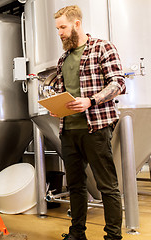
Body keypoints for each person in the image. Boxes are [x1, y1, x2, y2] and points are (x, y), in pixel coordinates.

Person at [52, 5, 126, 240]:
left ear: (76, 24)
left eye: (63, 27)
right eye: (57, 29)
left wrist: (91, 101)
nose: (60, 33)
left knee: (107, 186)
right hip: (68, 130)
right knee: (75, 186)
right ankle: (77, 234)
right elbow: (64, 92)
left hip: (96, 128)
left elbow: (118, 83)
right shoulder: (63, 58)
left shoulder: (102, 48)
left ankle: (113, 236)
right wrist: (57, 108)